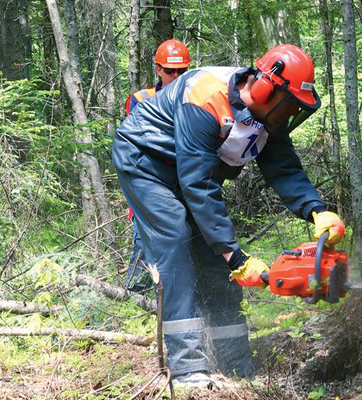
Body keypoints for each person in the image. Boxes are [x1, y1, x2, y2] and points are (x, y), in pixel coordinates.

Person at [112, 44, 345, 388]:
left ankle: (234, 363)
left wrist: (316, 209)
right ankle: (188, 368)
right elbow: (199, 187)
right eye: (289, 105)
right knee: (177, 245)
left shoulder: (268, 118)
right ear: (266, 88)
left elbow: (283, 168)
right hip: (148, 163)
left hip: (188, 172)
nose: (290, 113)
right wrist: (234, 255)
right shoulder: (206, 98)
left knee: (215, 264)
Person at [123, 39, 192, 293]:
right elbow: (139, 144)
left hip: (184, 183)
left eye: (181, 71)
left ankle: (175, 296)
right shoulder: (142, 99)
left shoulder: (195, 100)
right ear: (158, 70)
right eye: (170, 70)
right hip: (150, 185)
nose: (175, 76)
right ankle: (136, 299)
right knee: (145, 245)